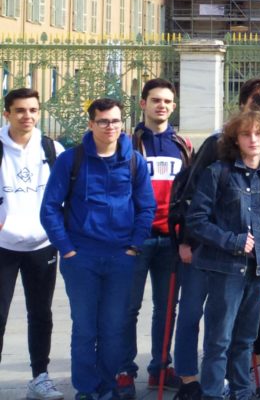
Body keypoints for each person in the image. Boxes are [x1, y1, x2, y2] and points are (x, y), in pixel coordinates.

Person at [168, 90, 260, 400]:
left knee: (245, 340)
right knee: (218, 341)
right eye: (246, 134)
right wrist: (232, 241)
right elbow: (196, 219)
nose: (253, 140)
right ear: (236, 139)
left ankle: (242, 392)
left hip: (259, 272)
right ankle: (213, 393)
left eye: (259, 134)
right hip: (224, 268)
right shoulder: (218, 173)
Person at [40, 98, 154, 400]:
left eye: (115, 121)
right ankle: (86, 389)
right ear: (91, 124)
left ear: (122, 124)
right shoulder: (72, 160)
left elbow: (146, 207)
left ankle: (108, 386)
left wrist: (134, 246)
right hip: (82, 258)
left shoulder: (134, 161)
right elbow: (50, 207)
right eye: (103, 121)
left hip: (121, 258)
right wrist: (67, 249)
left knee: (113, 328)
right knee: (84, 328)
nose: (110, 127)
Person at [120, 78, 193, 398]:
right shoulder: (127, 143)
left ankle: (160, 368)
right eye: (155, 100)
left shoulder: (182, 145)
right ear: (143, 104)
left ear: (173, 106)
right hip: (135, 239)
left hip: (171, 240)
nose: (161, 106)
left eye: (166, 101)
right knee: (128, 308)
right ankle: (124, 369)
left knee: (166, 309)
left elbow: (190, 192)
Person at [0, 88, 66, 400]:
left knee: (41, 314)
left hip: (42, 244)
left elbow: (67, 191)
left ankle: (40, 377)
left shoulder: (52, 148)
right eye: (20, 110)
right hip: (3, 245)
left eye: (33, 110)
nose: (27, 116)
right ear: (7, 114)